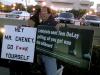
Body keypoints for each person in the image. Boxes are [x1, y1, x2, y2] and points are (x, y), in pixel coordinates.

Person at [39, 6, 61, 75]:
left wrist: (61, 27)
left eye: (44, 12)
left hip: (50, 56)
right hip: (42, 54)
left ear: (49, 14)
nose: (42, 13)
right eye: (41, 12)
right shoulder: (41, 24)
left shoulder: (54, 24)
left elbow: (64, 34)